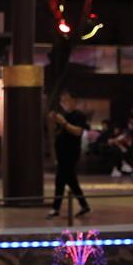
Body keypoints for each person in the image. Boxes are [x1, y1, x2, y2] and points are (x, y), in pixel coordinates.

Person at [47, 90, 91, 218]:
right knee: (71, 180)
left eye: (66, 100)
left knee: (60, 180)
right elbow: (55, 132)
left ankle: (55, 208)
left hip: (71, 153)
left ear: (73, 101)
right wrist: (53, 121)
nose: (64, 103)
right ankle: (84, 205)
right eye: (62, 101)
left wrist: (64, 123)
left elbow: (77, 131)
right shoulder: (64, 115)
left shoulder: (79, 116)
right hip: (62, 152)